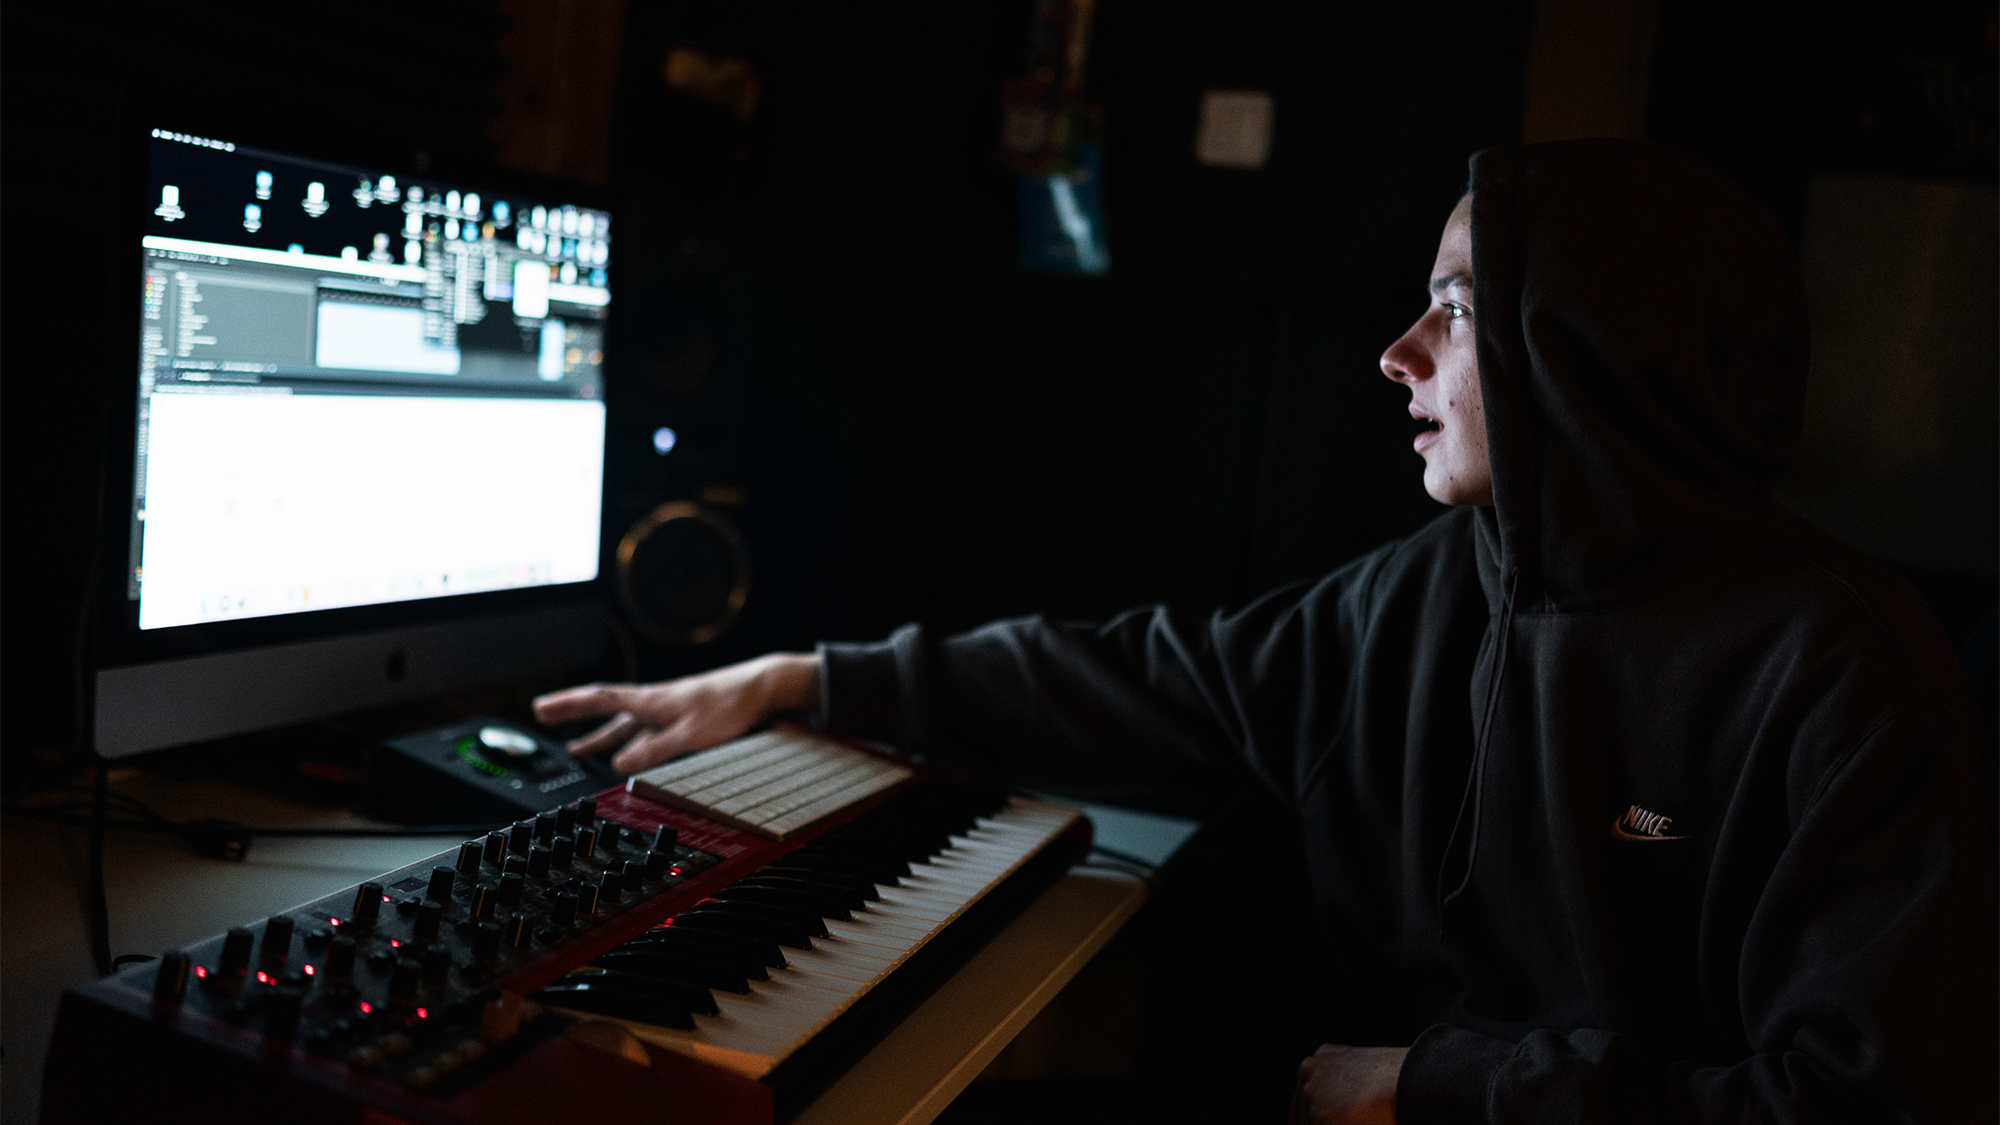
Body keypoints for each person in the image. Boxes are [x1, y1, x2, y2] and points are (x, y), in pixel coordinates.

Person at [534, 140, 1997, 1124]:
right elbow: (1140, 674)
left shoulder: (1846, 669)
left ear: (1593, 350)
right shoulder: (1424, 592)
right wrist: (806, 678)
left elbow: (1863, 1102)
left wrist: (1430, 1088)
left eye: (1457, 310)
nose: (1397, 354)